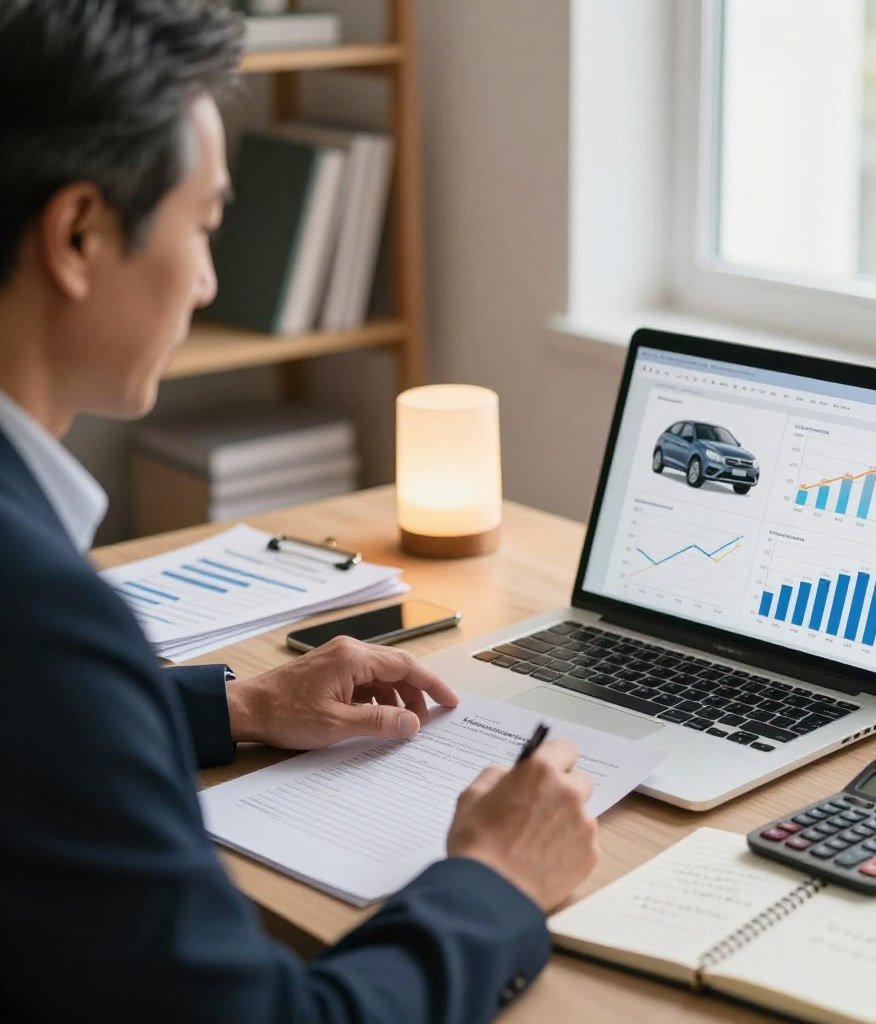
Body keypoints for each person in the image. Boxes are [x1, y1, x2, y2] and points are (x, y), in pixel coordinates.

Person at [0, 3, 598, 1021]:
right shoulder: (42, 614)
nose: (208, 279)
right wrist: (494, 880)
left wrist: (237, 705)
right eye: (204, 224)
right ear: (80, 232)